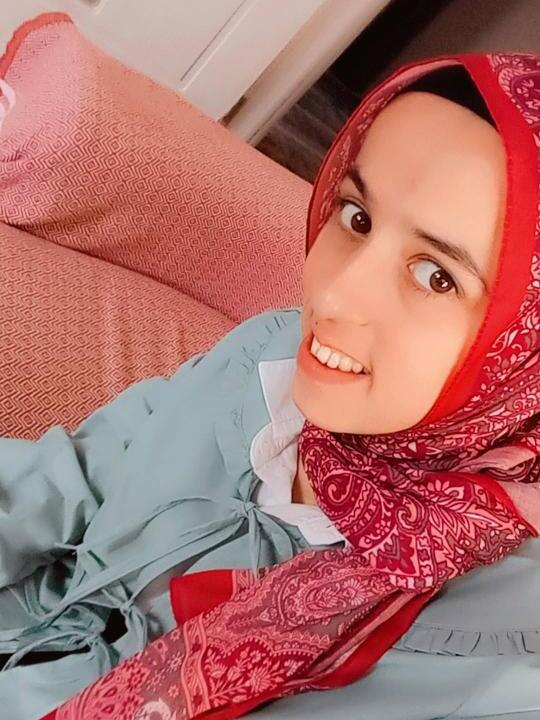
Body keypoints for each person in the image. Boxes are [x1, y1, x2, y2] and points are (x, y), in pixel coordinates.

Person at [1, 53, 539, 720]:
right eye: (356, 217)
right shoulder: (270, 353)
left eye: (435, 276)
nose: (332, 294)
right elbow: (78, 474)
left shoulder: (502, 656)